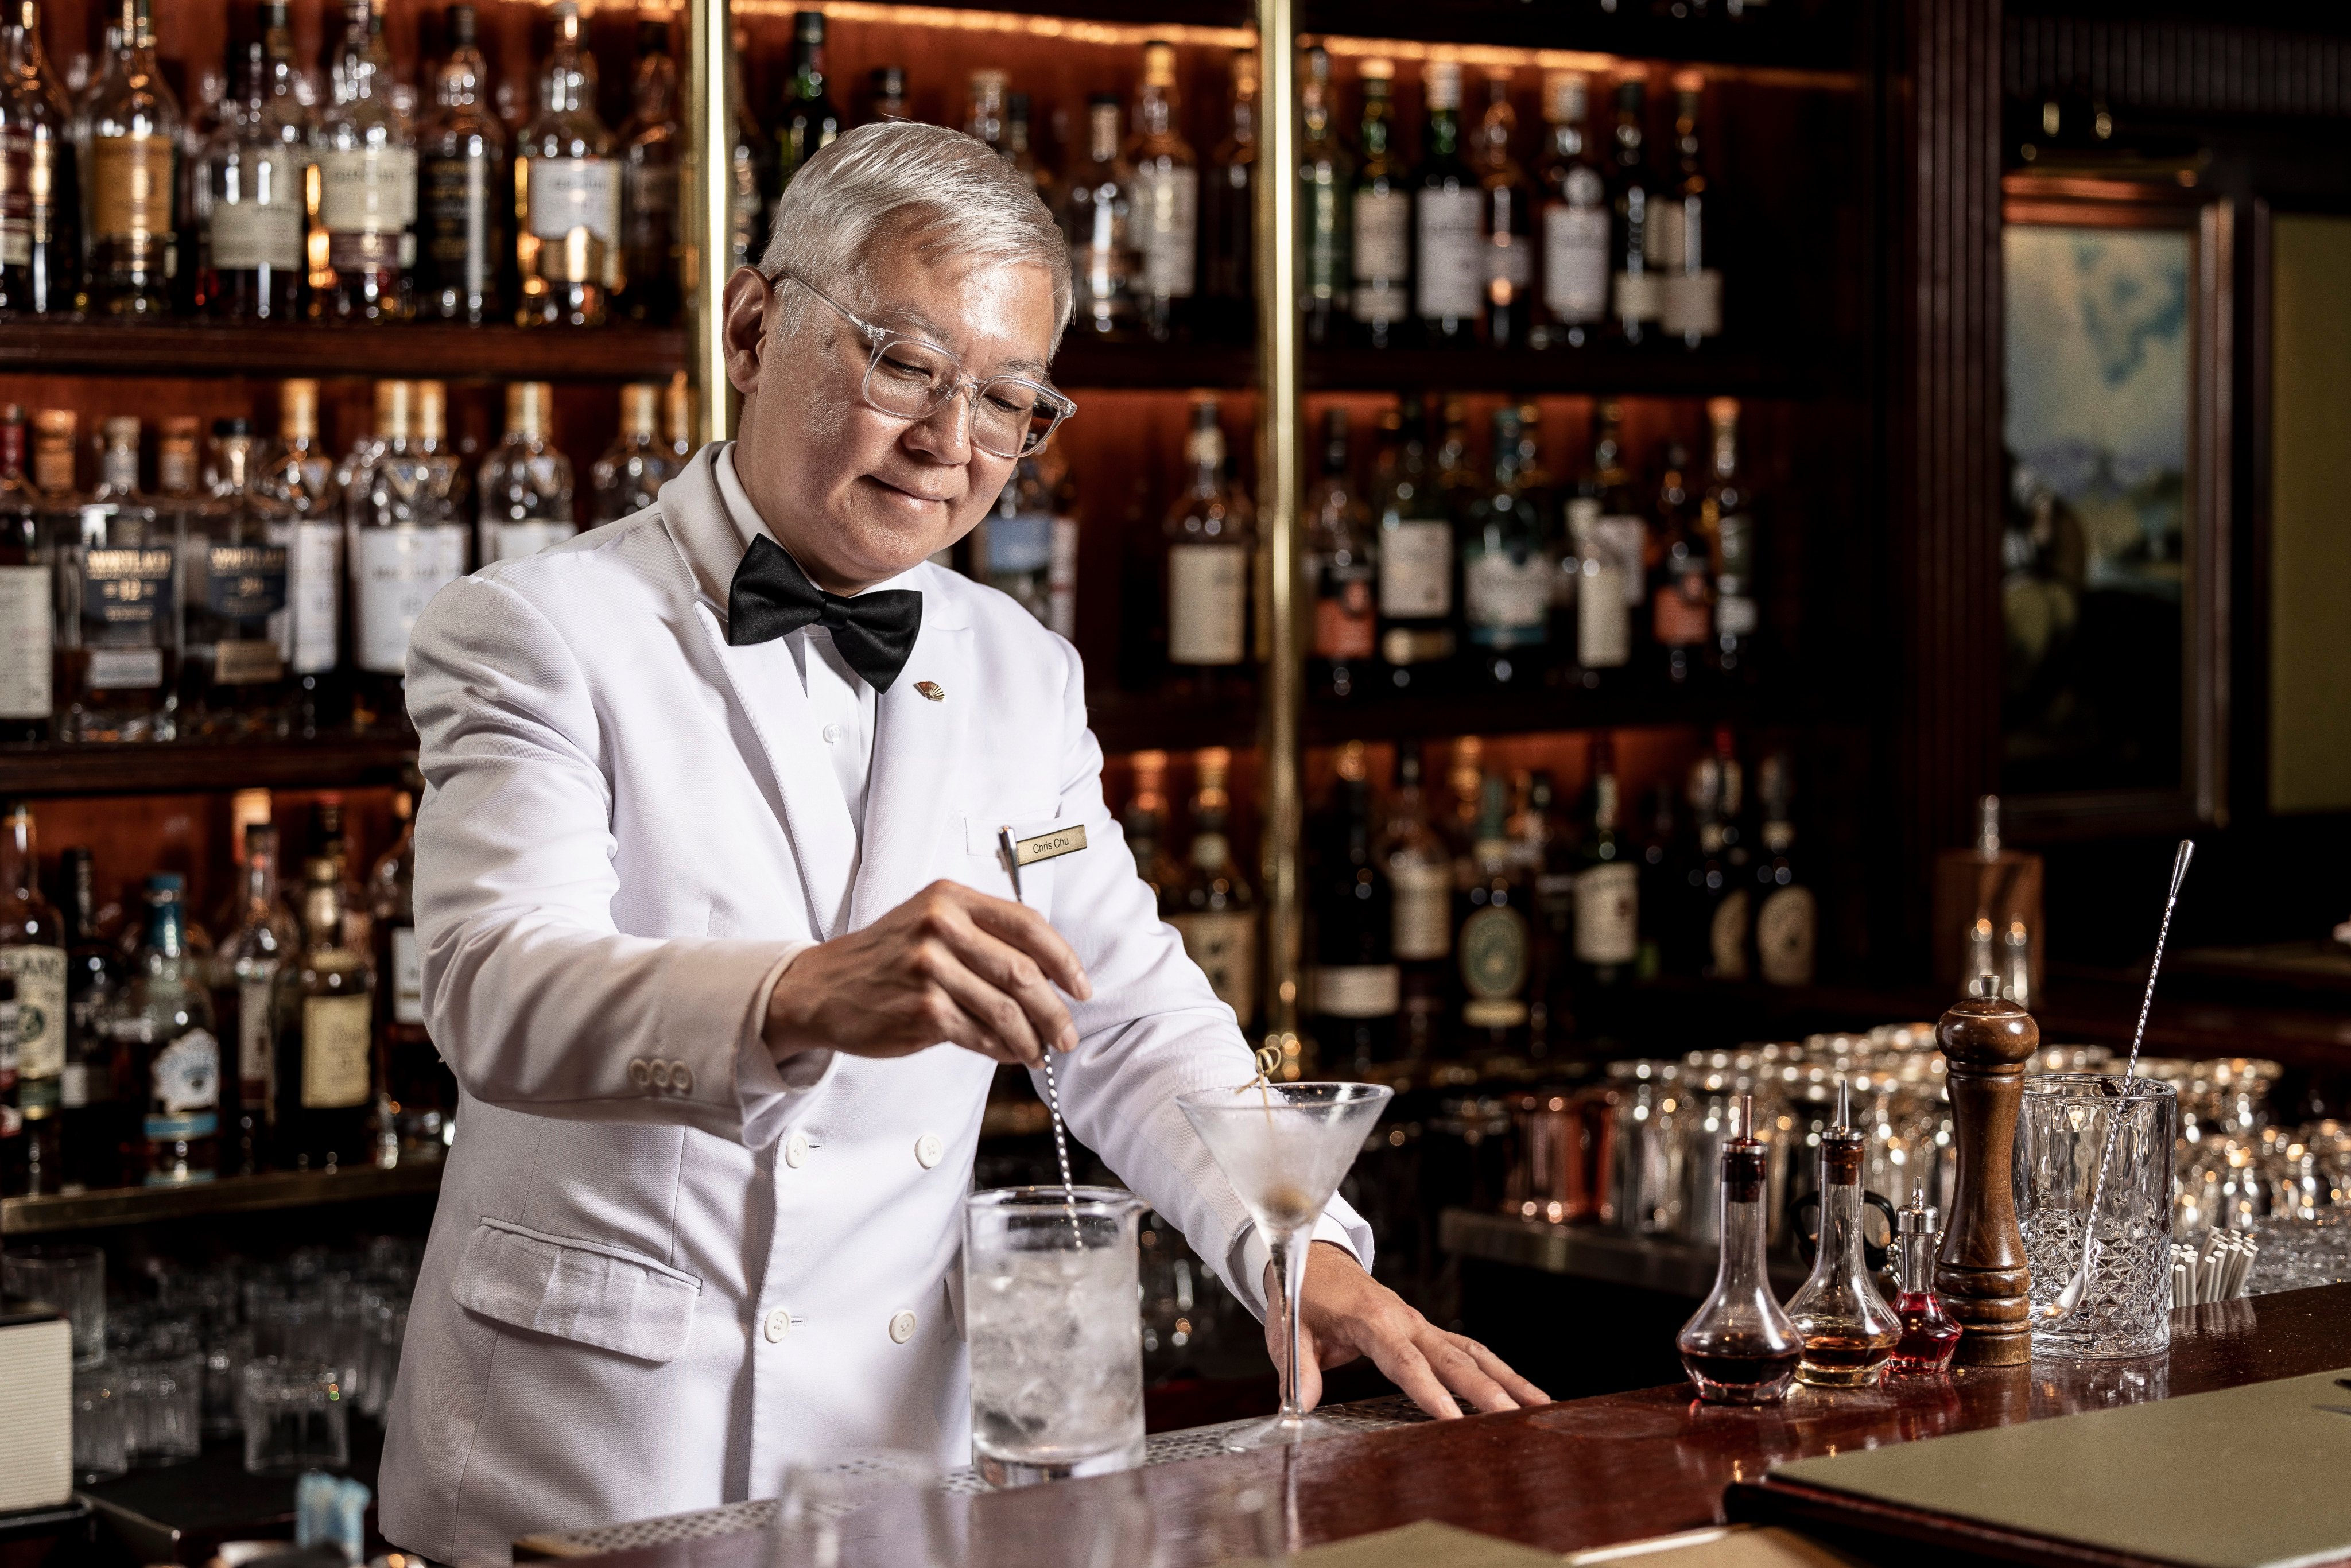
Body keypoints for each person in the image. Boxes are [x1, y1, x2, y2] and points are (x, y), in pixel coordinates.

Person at [378, 122, 1546, 1565]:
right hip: (586, 1472)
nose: (950, 444)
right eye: (904, 364)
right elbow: (489, 988)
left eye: (1008, 401)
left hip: (885, 1479)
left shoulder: (1016, 668)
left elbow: (1116, 1017)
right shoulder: (542, 629)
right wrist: (797, 995)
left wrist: (1297, 1248)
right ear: (752, 327)